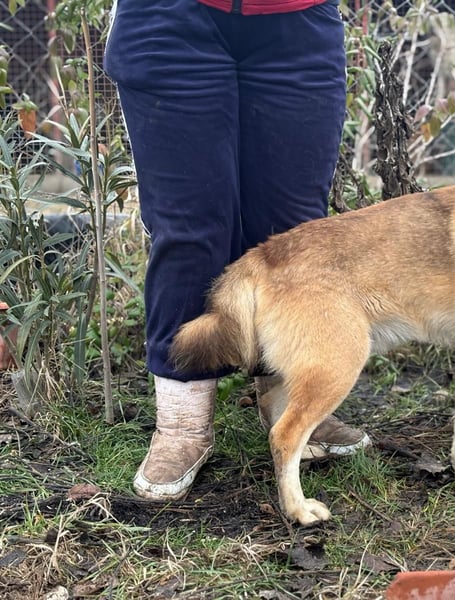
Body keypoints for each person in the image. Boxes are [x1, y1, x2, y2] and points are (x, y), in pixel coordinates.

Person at [103, 0, 370, 502]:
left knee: (296, 232)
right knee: (189, 227)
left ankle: (291, 400)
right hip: (171, 22)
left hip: (298, 23)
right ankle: (183, 424)